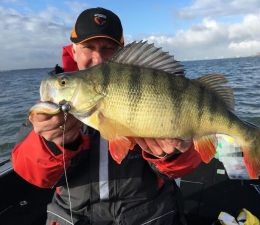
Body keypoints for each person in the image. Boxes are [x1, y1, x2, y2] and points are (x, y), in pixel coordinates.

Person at [12, 7, 202, 225]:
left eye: (108, 48)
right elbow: (31, 173)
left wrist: (171, 155)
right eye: (88, 47)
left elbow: (190, 162)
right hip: (73, 217)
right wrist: (52, 144)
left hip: (149, 214)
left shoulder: (141, 81)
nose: (98, 58)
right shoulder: (51, 107)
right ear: (73, 51)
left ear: (121, 51)